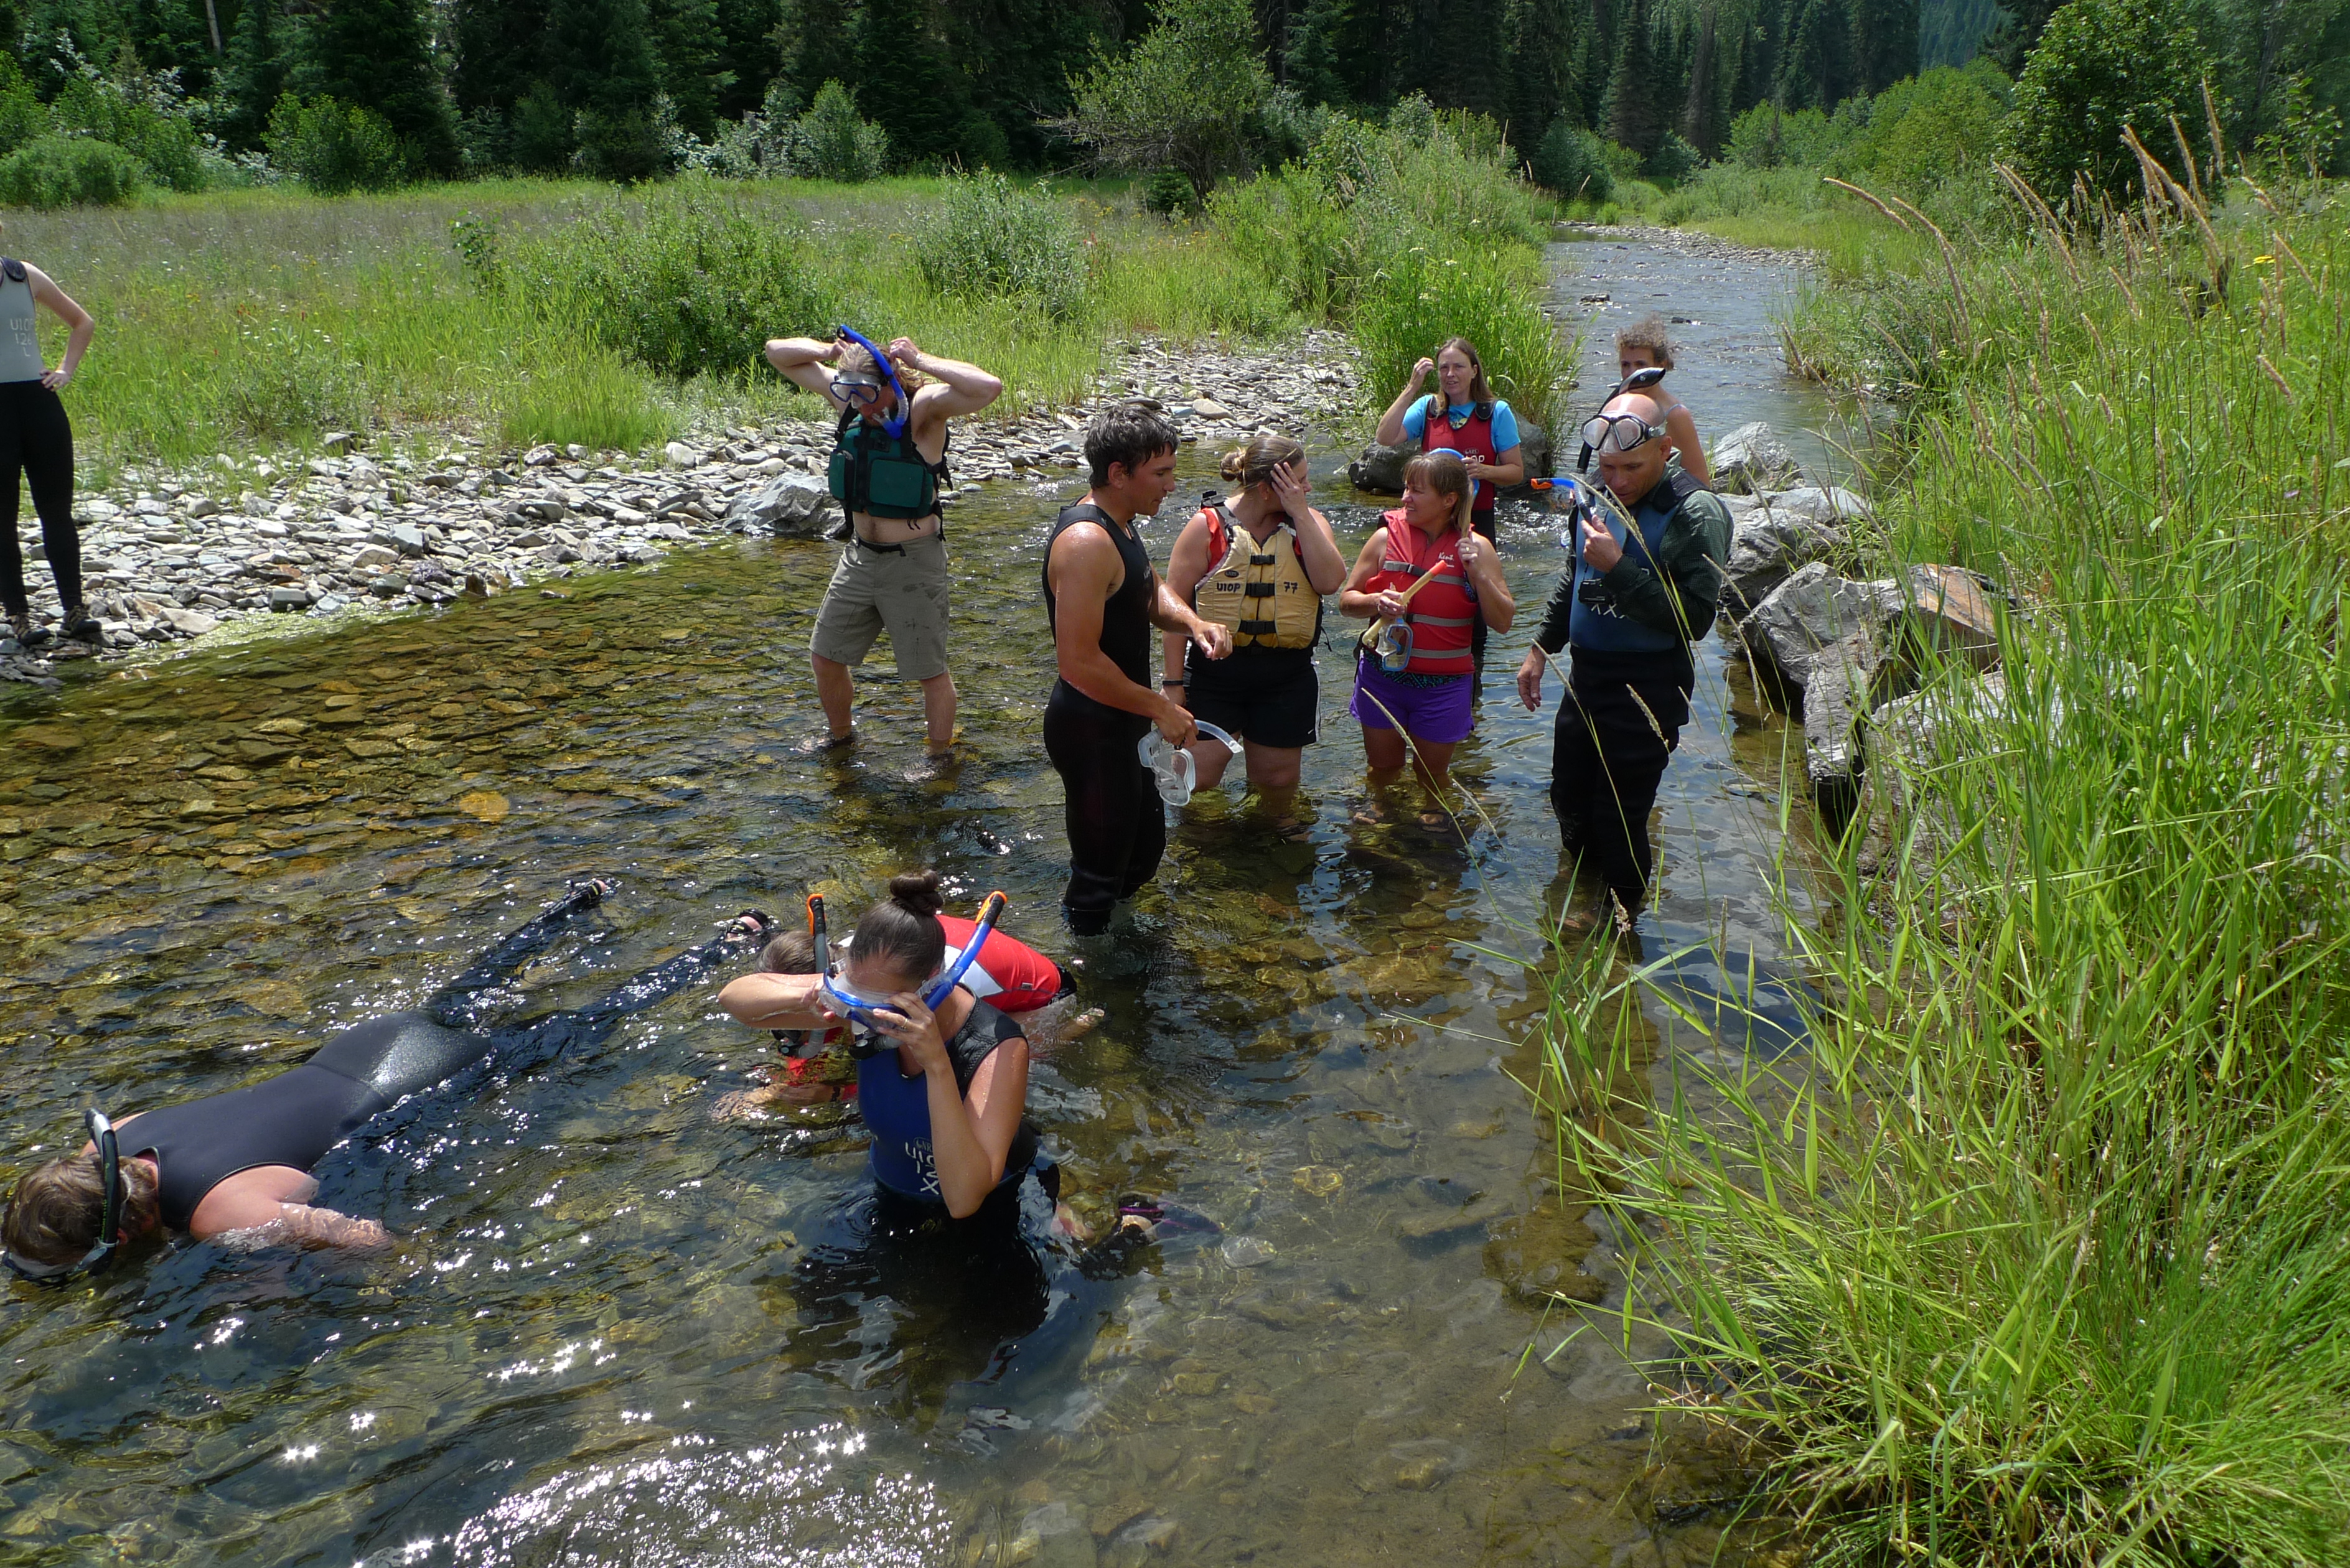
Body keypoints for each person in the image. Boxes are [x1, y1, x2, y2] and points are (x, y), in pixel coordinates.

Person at [0, 883, 767, 1276]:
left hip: (418, 1081)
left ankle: (728, 942)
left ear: (123, 1234)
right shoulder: (120, 1135)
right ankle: (577, 901)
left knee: (592, 1022)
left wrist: (388, 1273)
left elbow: (368, 1238)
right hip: (362, 1046)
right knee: (470, 989)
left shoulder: (222, 1216)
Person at [1514, 387, 1733, 920]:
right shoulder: (1595, 495)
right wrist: (1541, 648)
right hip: (1587, 677)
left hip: (1649, 682)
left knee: (1619, 816)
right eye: (1608, 467)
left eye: (1632, 467)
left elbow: (1695, 620)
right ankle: (1580, 898)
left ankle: (1622, 924)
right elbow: (1575, 579)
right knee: (1568, 798)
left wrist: (1620, 568)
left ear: (1665, 450)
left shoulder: (1694, 512)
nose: (1618, 480)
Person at [763, 329, 1004, 778]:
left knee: (929, 671)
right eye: (851, 394)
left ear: (891, 381)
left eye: (869, 394)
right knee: (825, 656)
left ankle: (939, 759)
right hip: (859, 556)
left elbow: (989, 387)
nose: (862, 406)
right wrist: (827, 351)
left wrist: (921, 358)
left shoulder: (924, 411)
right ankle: (841, 738)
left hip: (913, 562)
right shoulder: (851, 406)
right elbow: (777, 353)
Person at [1043, 401, 1232, 935]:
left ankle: (1122, 944)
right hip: (1090, 727)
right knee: (1098, 877)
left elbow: (1147, 587)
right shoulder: (1086, 542)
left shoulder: (1121, 525)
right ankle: (1084, 969)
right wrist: (1161, 707)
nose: (1171, 486)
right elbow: (1078, 662)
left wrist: (1192, 623)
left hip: (1123, 719)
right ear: (1118, 474)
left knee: (1143, 854)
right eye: (1161, 473)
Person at [717, 905, 1100, 1112]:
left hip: (1046, 998)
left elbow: (922, 1083)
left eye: (794, 1029)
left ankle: (1076, 1027)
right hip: (971, 957)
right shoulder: (859, 956)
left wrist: (835, 1094)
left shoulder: (916, 996)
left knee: (985, 1067)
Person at [1158, 434, 1347, 840]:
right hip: (1214, 676)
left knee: (1276, 786)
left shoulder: (1310, 524)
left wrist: (1300, 513)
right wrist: (1172, 685)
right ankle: (1199, 850)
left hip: (1286, 678)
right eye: (1300, 481)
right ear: (1266, 489)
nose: (1308, 488)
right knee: (1196, 780)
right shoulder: (1205, 528)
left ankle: (1271, 852)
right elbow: (1174, 612)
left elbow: (1331, 582)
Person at [1339, 451, 1515, 825]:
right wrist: (1375, 600)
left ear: (1449, 499)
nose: (1405, 498)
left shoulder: (1478, 548)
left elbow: (1503, 622)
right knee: (1383, 769)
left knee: (1432, 777)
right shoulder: (1384, 539)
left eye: (1416, 491)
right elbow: (1346, 602)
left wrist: (1478, 575)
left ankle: (1433, 820)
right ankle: (1381, 807)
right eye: (1406, 488)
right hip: (1382, 678)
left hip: (1443, 686)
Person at [1374, 336, 1526, 673]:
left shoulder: (1496, 412)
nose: (1450, 374)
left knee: (1475, 601)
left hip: (1475, 520)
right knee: (1425, 594)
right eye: (1444, 368)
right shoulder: (1428, 408)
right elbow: (1385, 438)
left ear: (1474, 371)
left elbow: (1516, 471)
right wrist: (1412, 388)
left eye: (1458, 367)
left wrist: (1483, 471)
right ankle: (1410, 661)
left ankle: (1471, 676)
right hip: (1430, 520)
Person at [0, 235, 96, 651]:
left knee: (57, 513)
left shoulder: (23, 275)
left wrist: (65, 370)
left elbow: (83, 322)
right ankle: (19, 618)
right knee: (2, 520)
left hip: (39, 405)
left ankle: (74, 612)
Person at [1616, 315, 1710, 485]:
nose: (1631, 373)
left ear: (1661, 366)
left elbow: (1701, 482)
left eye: (1641, 365)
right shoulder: (1619, 404)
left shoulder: (1675, 415)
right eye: (1625, 365)